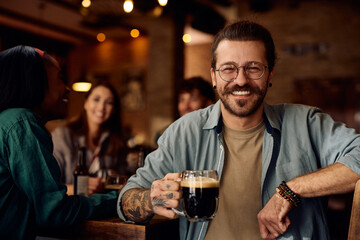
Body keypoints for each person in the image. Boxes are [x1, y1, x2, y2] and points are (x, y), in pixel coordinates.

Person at [116, 20, 360, 240]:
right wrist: (151, 198)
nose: (241, 80)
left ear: (270, 73)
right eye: (229, 68)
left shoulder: (305, 123)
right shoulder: (183, 132)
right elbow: (126, 200)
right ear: (213, 76)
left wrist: (291, 190)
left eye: (253, 68)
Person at [0, 45, 118, 240]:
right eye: (60, 78)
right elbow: (54, 211)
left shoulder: (9, 120)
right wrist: (121, 200)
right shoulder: (23, 124)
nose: (67, 89)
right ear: (35, 81)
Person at [51, 81, 129, 195]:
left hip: (103, 208)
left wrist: (117, 180)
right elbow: (49, 187)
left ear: (113, 110)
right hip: (72, 208)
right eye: (96, 99)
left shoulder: (117, 141)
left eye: (109, 102)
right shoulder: (62, 136)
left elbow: (123, 182)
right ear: (85, 103)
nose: (101, 107)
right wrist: (78, 188)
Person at [154, 76, 216, 144]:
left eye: (193, 99)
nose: (186, 106)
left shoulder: (217, 134)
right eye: (182, 100)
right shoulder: (166, 135)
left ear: (209, 103)